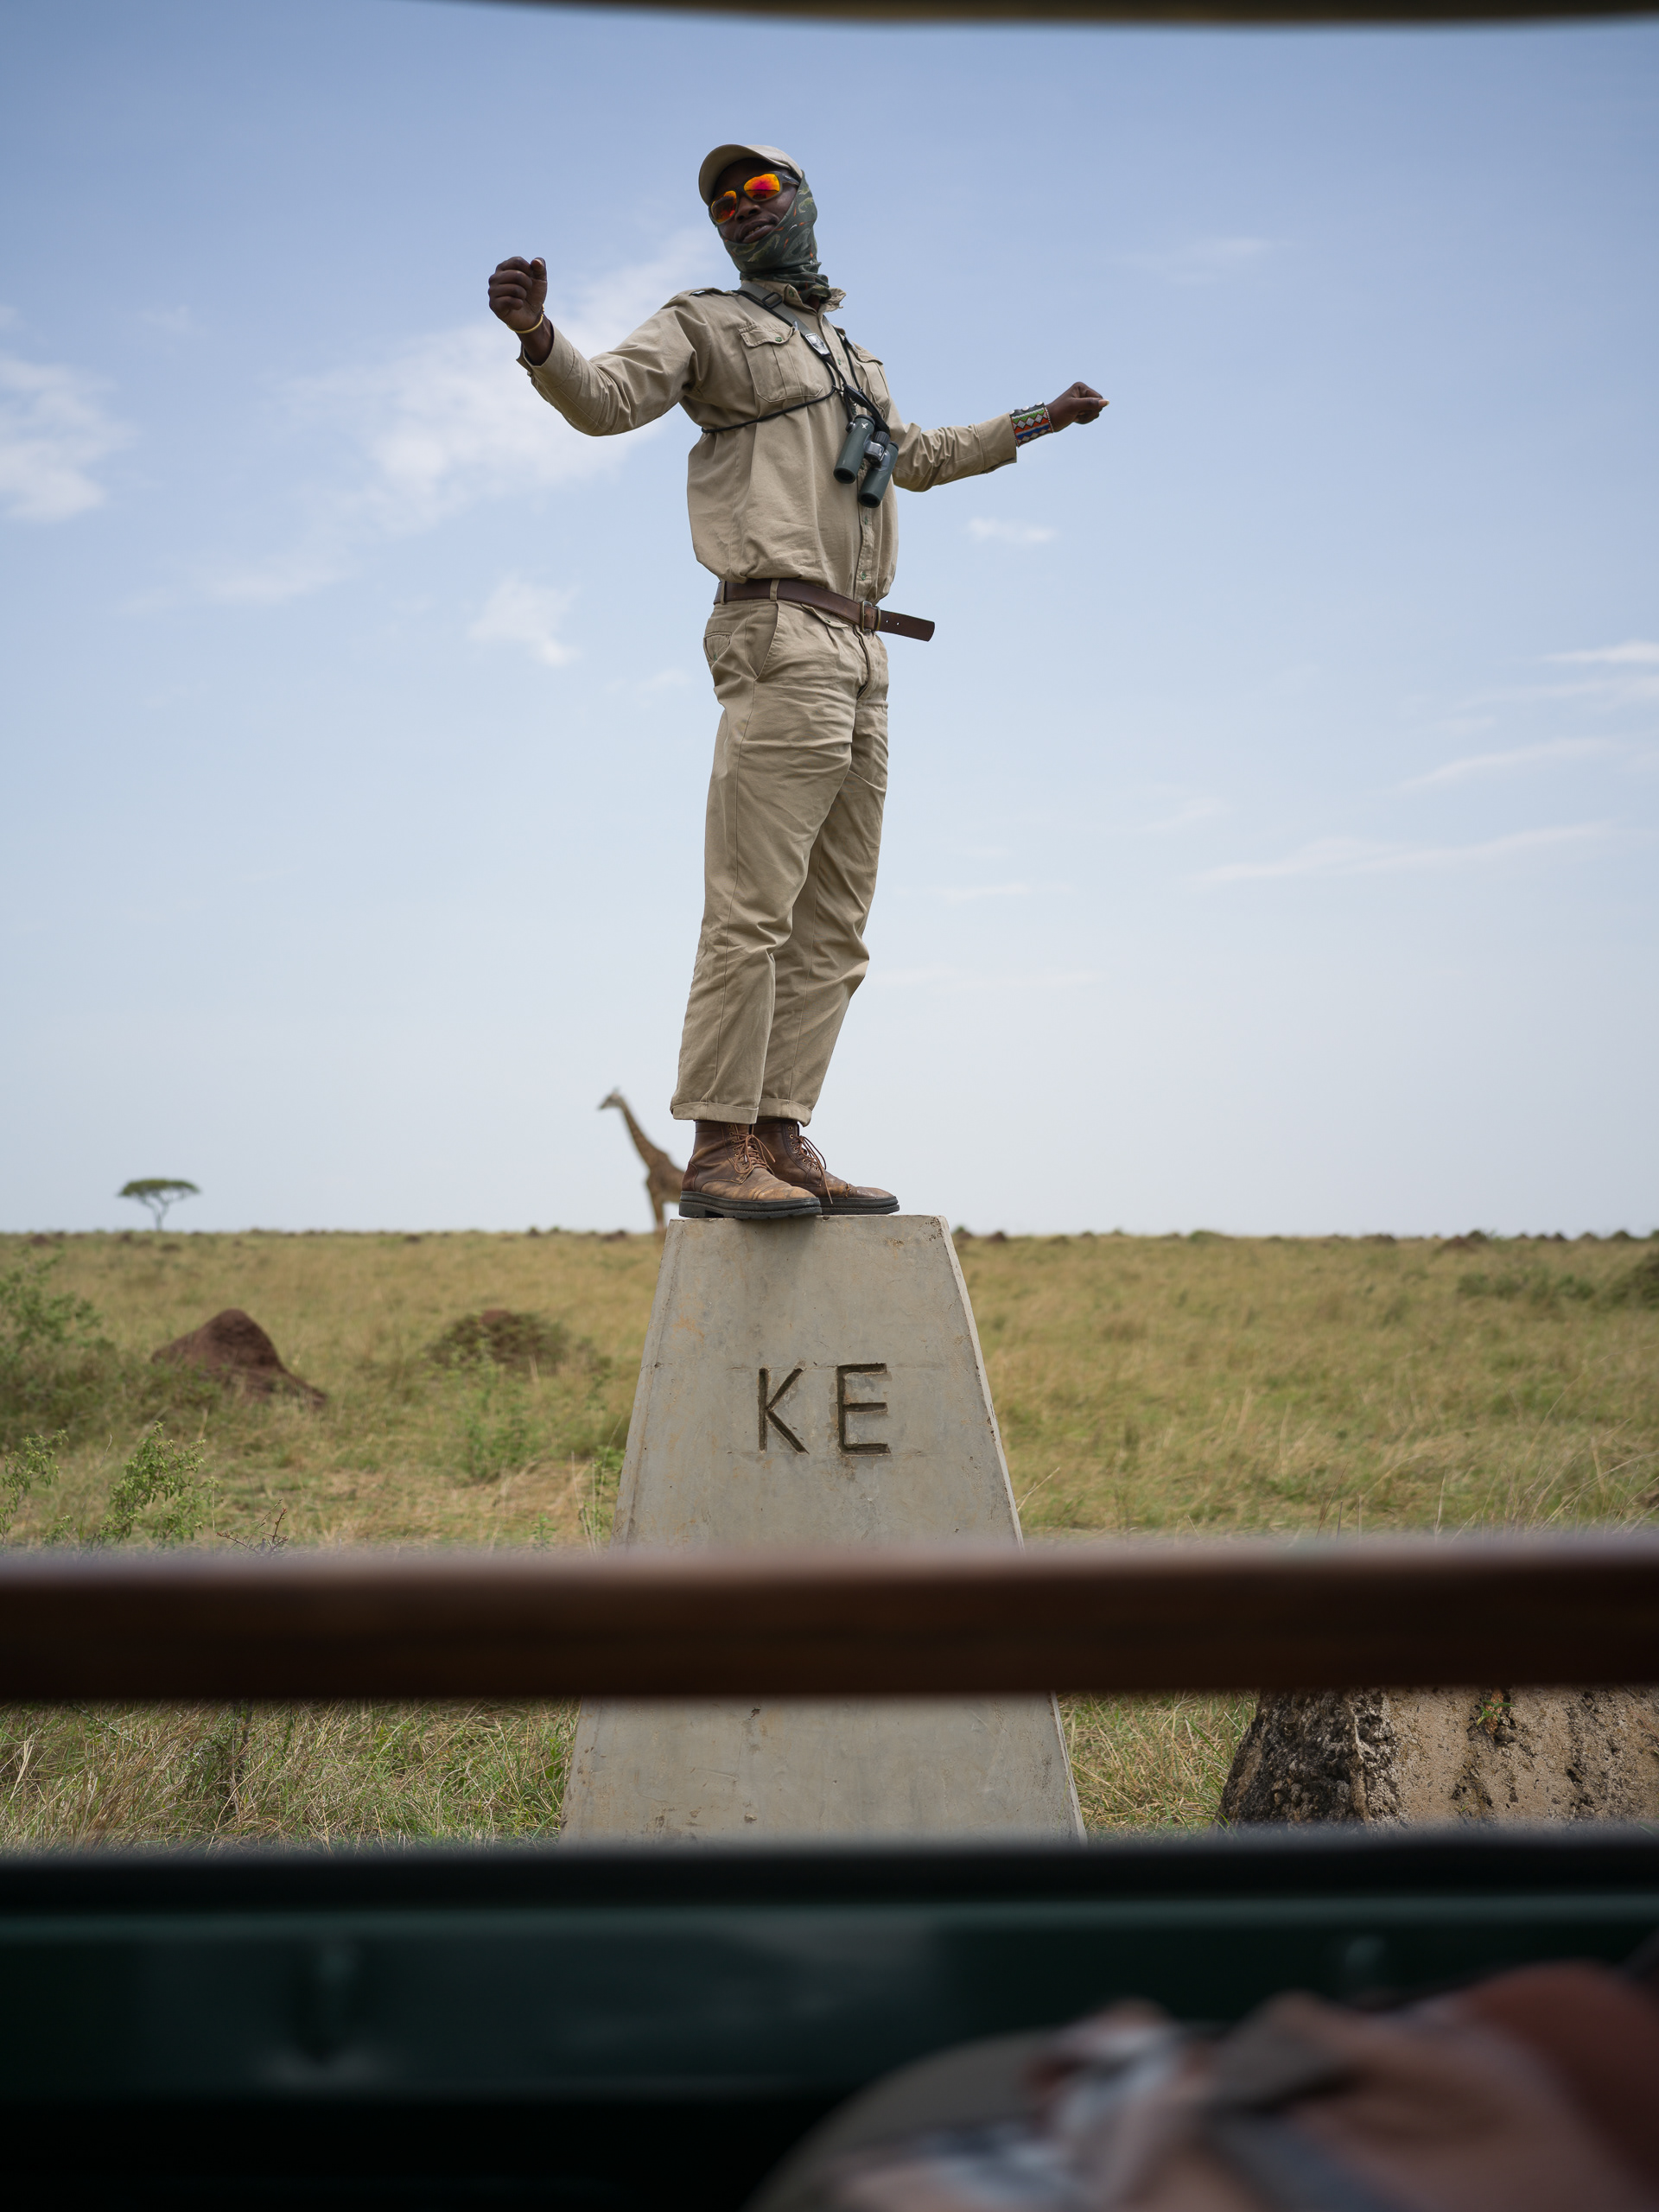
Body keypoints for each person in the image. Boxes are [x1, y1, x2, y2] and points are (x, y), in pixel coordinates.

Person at [490, 143, 1104, 1224]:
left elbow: (913, 455)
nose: (740, 209)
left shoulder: (855, 356)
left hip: (867, 650)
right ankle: (718, 1142)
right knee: (753, 906)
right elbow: (606, 400)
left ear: (807, 201)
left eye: (760, 190)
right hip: (777, 629)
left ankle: (780, 1132)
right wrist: (542, 339)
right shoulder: (705, 325)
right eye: (723, 202)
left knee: (837, 923)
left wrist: (1034, 422)